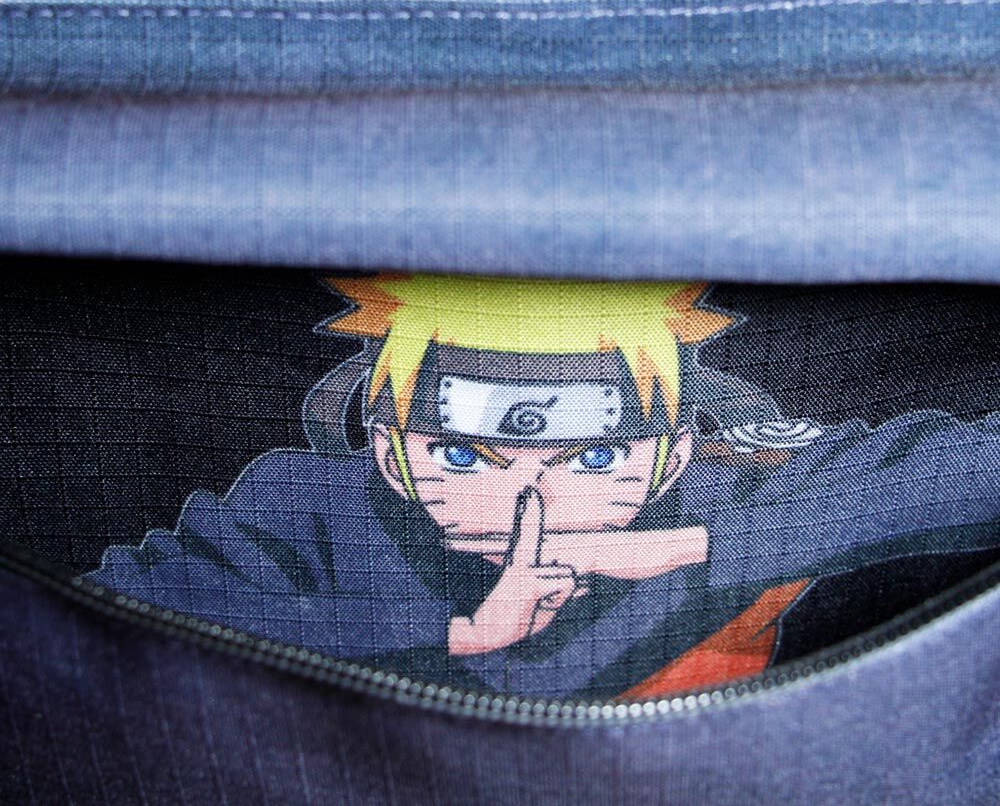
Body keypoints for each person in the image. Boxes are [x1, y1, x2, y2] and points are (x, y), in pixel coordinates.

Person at [90, 273, 1000, 699]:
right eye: (463, 460)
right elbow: (109, 615)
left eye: (594, 462)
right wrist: (458, 631)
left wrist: (705, 548)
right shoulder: (304, 513)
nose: (531, 506)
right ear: (389, 454)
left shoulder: (734, 500)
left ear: (674, 456)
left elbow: (976, 469)